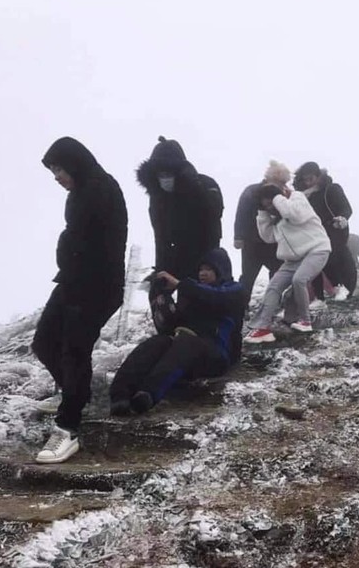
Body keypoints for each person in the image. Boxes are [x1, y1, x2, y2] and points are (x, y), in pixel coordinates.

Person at [32, 137, 128, 464]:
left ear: (74, 163)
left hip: (98, 285)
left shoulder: (100, 189)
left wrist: (66, 249)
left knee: (75, 349)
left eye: (59, 169)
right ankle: (77, 393)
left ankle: (68, 425)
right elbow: (72, 240)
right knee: (44, 342)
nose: (56, 176)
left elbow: (87, 244)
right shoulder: (79, 193)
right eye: (53, 171)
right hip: (74, 280)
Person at [108, 248, 245, 414]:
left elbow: (215, 297)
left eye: (209, 269)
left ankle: (148, 395)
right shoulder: (195, 293)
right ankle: (120, 395)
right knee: (158, 342)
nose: (203, 273)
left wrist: (180, 284)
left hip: (217, 356)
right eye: (201, 269)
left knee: (188, 343)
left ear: (221, 270)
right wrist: (161, 297)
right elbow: (170, 325)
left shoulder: (234, 290)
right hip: (188, 354)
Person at [137, 136, 224, 332]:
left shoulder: (205, 184)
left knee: (195, 301)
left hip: (205, 255)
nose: (164, 179)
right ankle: (170, 335)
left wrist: (192, 188)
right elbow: (159, 234)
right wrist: (161, 268)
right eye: (159, 174)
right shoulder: (158, 198)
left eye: (168, 173)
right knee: (158, 291)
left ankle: (204, 337)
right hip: (174, 256)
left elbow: (214, 215)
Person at [244, 183, 331, 343]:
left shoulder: (297, 199)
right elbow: (268, 237)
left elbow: (294, 215)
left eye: (270, 203)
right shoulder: (274, 217)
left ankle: (305, 321)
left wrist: (277, 197)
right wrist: (262, 214)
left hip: (317, 249)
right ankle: (263, 328)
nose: (270, 207)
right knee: (274, 286)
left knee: (299, 280)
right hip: (292, 259)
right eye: (265, 206)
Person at [294, 162, 356, 301]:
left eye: (311, 178)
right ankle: (320, 296)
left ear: (318, 176)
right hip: (314, 233)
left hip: (334, 229)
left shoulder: (331, 189)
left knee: (339, 259)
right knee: (318, 263)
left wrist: (342, 218)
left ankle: (345, 289)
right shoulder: (303, 196)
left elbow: (346, 208)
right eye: (306, 179)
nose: (308, 182)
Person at [233, 161, 286, 307]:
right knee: (248, 277)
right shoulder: (251, 192)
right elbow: (241, 214)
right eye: (280, 182)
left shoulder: (282, 194)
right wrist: (238, 236)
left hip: (273, 243)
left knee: (276, 274)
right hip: (252, 243)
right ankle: (240, 308)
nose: (283, 185)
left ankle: (273, 305)